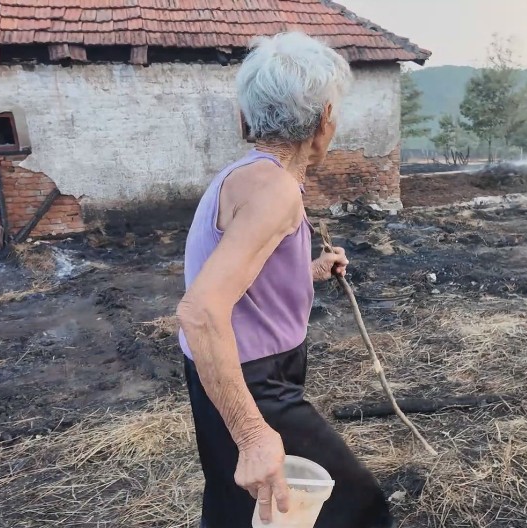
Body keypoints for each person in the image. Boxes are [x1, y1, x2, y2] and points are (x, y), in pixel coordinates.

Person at [176, 33, 393, 528]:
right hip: (252, 377)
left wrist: (310, 272)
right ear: (324, 122)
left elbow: (241, 282)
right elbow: (199, 311)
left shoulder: (245, 175)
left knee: (245, 504)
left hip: (229, 367)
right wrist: (253, 433)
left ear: (243, 118)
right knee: (356, 507)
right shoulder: (275, 190)